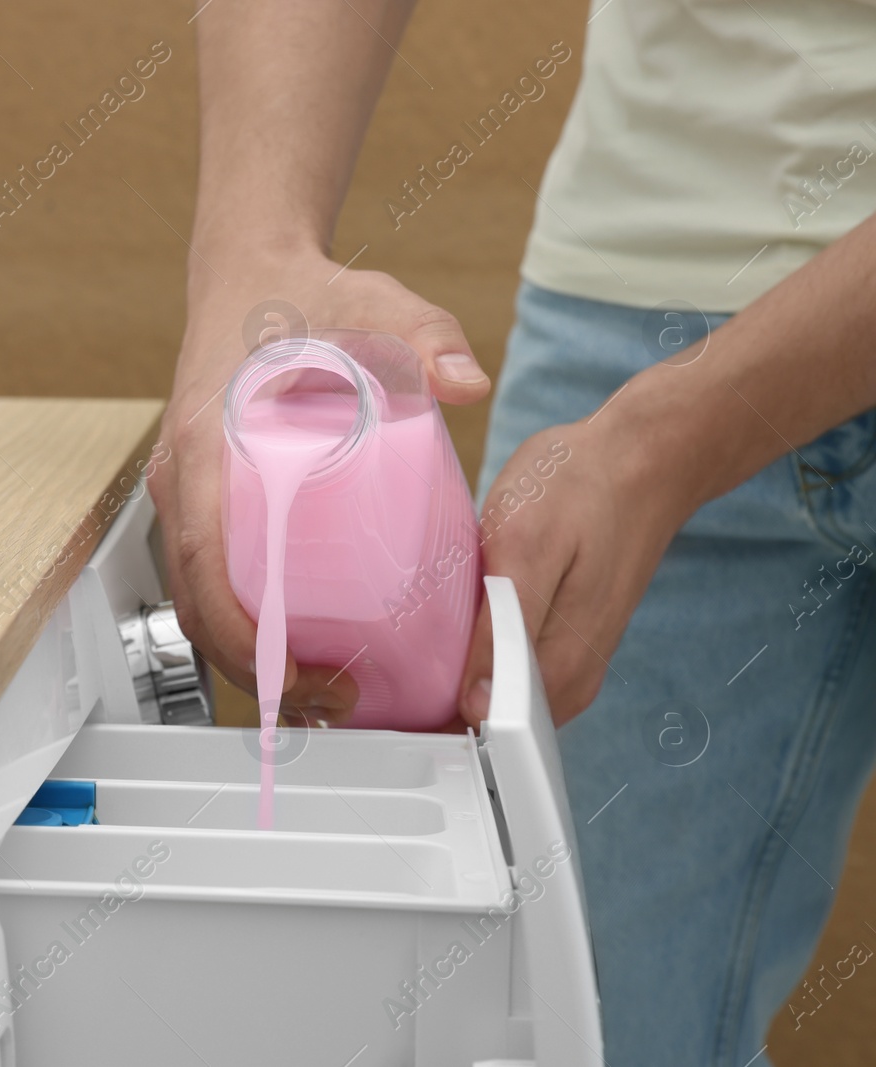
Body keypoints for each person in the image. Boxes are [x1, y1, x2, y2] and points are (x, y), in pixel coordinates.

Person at [150, 1, 876, 1063]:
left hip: (647, 401)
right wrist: (249, 252)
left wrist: (665, 446)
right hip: (644, 290)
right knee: (549, 1022)